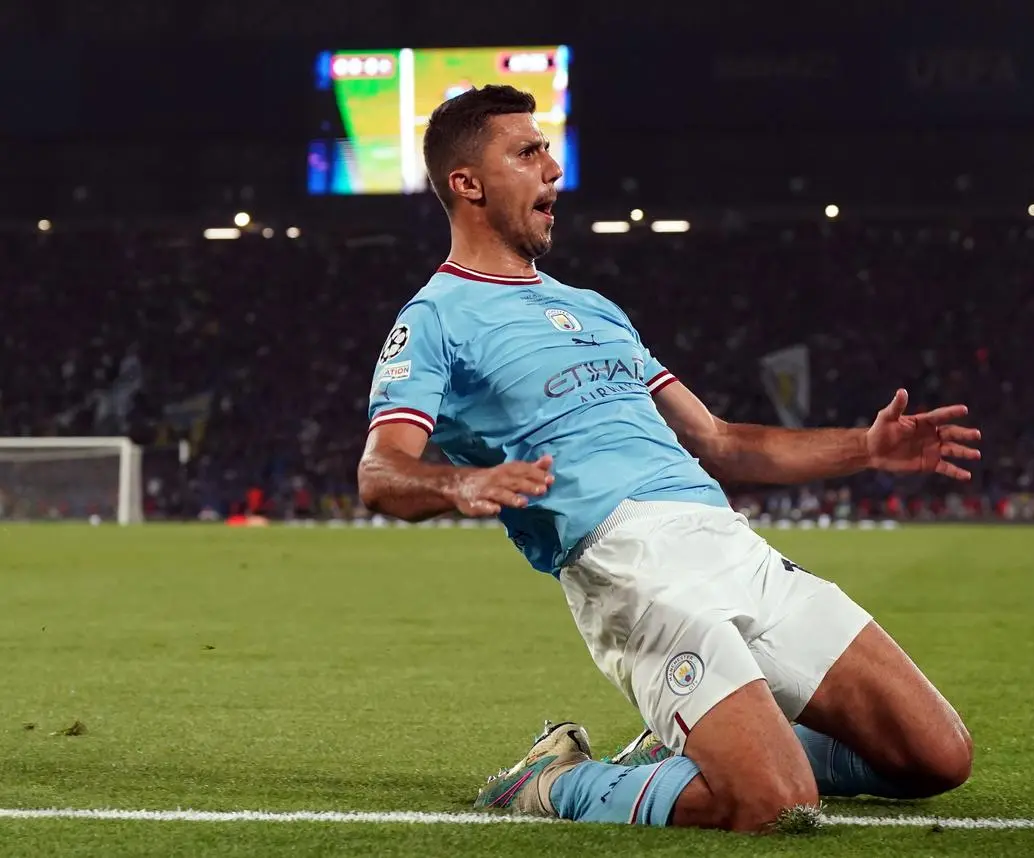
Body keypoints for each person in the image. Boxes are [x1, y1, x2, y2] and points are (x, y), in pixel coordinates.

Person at [357, 85, 982, 834]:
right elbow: (380, 473)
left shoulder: (595, 308)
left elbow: (718, 440)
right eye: (527, 153)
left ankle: (703, 745)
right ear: (467, 183)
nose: (553, 169)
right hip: (629, 568)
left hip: (729, 545)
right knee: (778, 806)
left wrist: (866, 448)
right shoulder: (435, 319)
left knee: (938, 758)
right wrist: (465, 482)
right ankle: (553, 780)